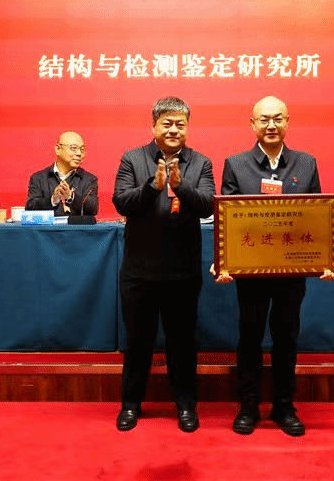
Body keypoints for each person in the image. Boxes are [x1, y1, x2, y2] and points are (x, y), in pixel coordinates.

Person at [214, 96, 334, 437]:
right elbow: (227, 220)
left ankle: (284, 406)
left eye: (278, 118)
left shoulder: (306, 163)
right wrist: (224, 261)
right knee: (249, 338)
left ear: (287, 122)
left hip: (291, 271)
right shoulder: (236, 164)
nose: (271, 125)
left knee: (286, 338)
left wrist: (326, 260)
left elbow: (318, 217)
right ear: (252, 124)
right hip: (251, 272)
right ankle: (248, 406)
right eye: (264, 119)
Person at [112, 97, 215, 433]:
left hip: (182, 272)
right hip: (139, 271)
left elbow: (207, 206)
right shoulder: (133, 158)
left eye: (179, 124)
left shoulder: (200, 163)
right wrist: (152, 187)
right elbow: (121, 202)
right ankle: (130, 405)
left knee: (182, 344)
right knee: (137, 343)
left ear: (187, 128)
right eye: (166, 123)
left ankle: (185, 406)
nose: (173, 130)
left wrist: (179, 186)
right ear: (154, 126)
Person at [25, 131, 98, 216]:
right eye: (73, 148)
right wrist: (53, 200)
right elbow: (30, 208)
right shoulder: (38, 178)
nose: (79, 153)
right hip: (49, 225)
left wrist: (71, 197)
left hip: (75, 225)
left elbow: (92, 209)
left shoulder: (89, 179)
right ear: (58, 149)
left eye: (82, 150)